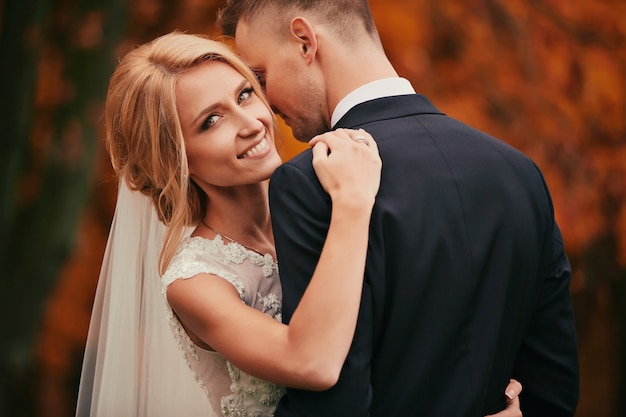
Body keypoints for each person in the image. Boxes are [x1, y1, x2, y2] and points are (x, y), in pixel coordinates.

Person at [75, 32, 522, 417]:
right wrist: (351, 204)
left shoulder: (317, 204)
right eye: (211, 121)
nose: (250, 122)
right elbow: (313, 363)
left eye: (245, 94)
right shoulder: (194, 281)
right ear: (175, 159)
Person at [218, 1, 580, 416]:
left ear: (304, 42)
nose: (263, 100)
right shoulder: (519, 172)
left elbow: (334, 405)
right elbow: (553, 390)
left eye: (260, 76)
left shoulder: (312, 183)